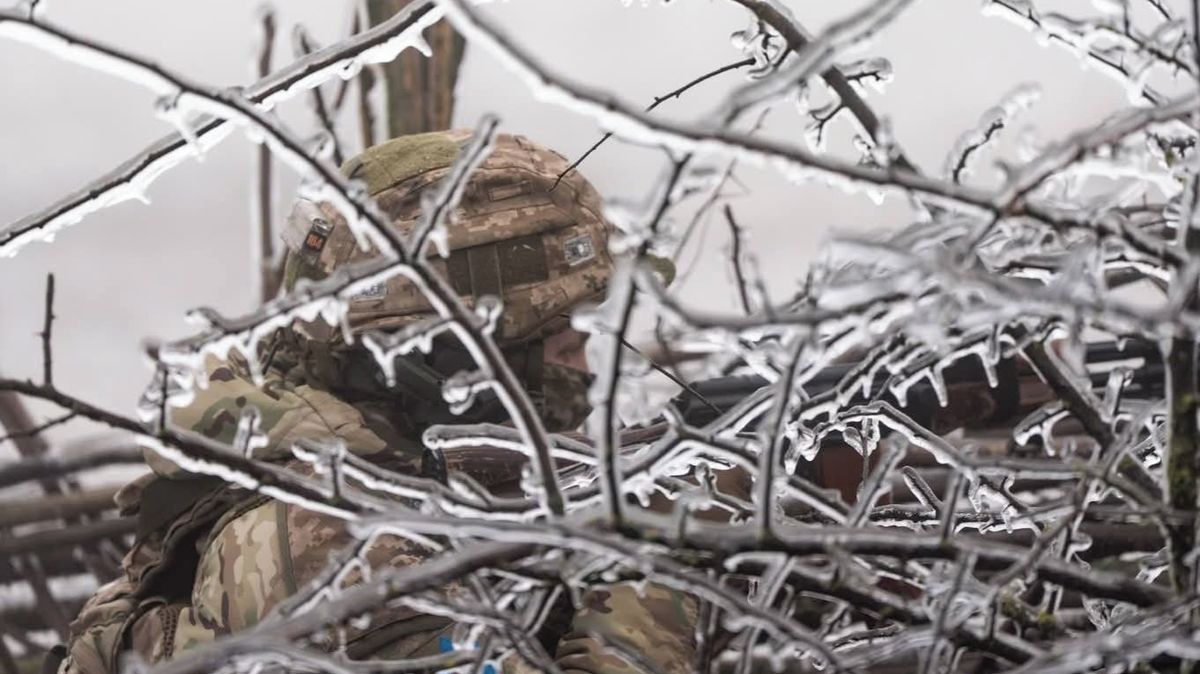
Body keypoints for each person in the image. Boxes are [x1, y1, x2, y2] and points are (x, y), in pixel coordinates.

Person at [54, 130, 699, 674]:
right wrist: (652, 585)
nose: (585, 370)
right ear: (441, 351)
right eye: (557, 343)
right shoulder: (337, 551)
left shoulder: (329, 460)